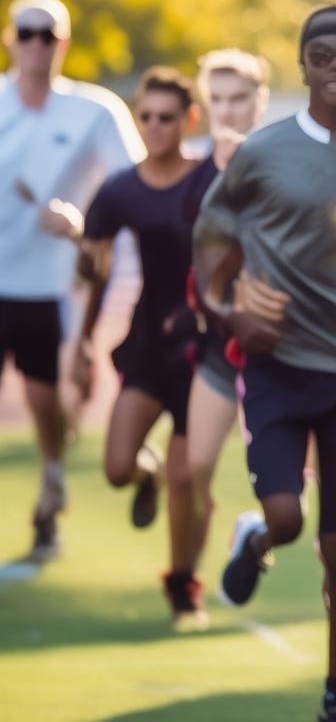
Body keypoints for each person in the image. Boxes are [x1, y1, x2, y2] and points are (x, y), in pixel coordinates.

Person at [193, 3, 336, 722]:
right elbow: (212, 240)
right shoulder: (262, 151)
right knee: (285, 515)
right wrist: (229, 310)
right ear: (304, 64)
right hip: (275, 366)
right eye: (323, 55)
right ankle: (257, 534)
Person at [0, 0, 143, 560]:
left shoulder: (94, 111)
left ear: (63, 43)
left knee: (43, 401)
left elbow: (135, 189)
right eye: (26, 32)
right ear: (11, 38)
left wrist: (80, 226)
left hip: (45, 286)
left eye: (48, 34)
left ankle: (52, 482)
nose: (37, 43)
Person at [75, 67, 217, 629]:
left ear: (189, 120)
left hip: (203, 347)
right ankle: (146, 475)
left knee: (190, 475)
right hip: (145, 345)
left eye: (166, 117)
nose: (155, 127)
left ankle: (183, 585)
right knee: (116, 467)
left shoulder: (209, 178)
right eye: (146, 117)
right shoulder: (120, 189)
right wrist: (82, 343)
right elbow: (96, 268)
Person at [184, 49, 269, 548]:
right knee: (196, 466)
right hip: (217, 344)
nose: (228, 110)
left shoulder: (282, 163)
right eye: (217, 99)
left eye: (239, 98)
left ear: (260, 100)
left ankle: (256, 534)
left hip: (277, 345)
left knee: (290, 480)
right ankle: (206, 544)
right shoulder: (190, 170)